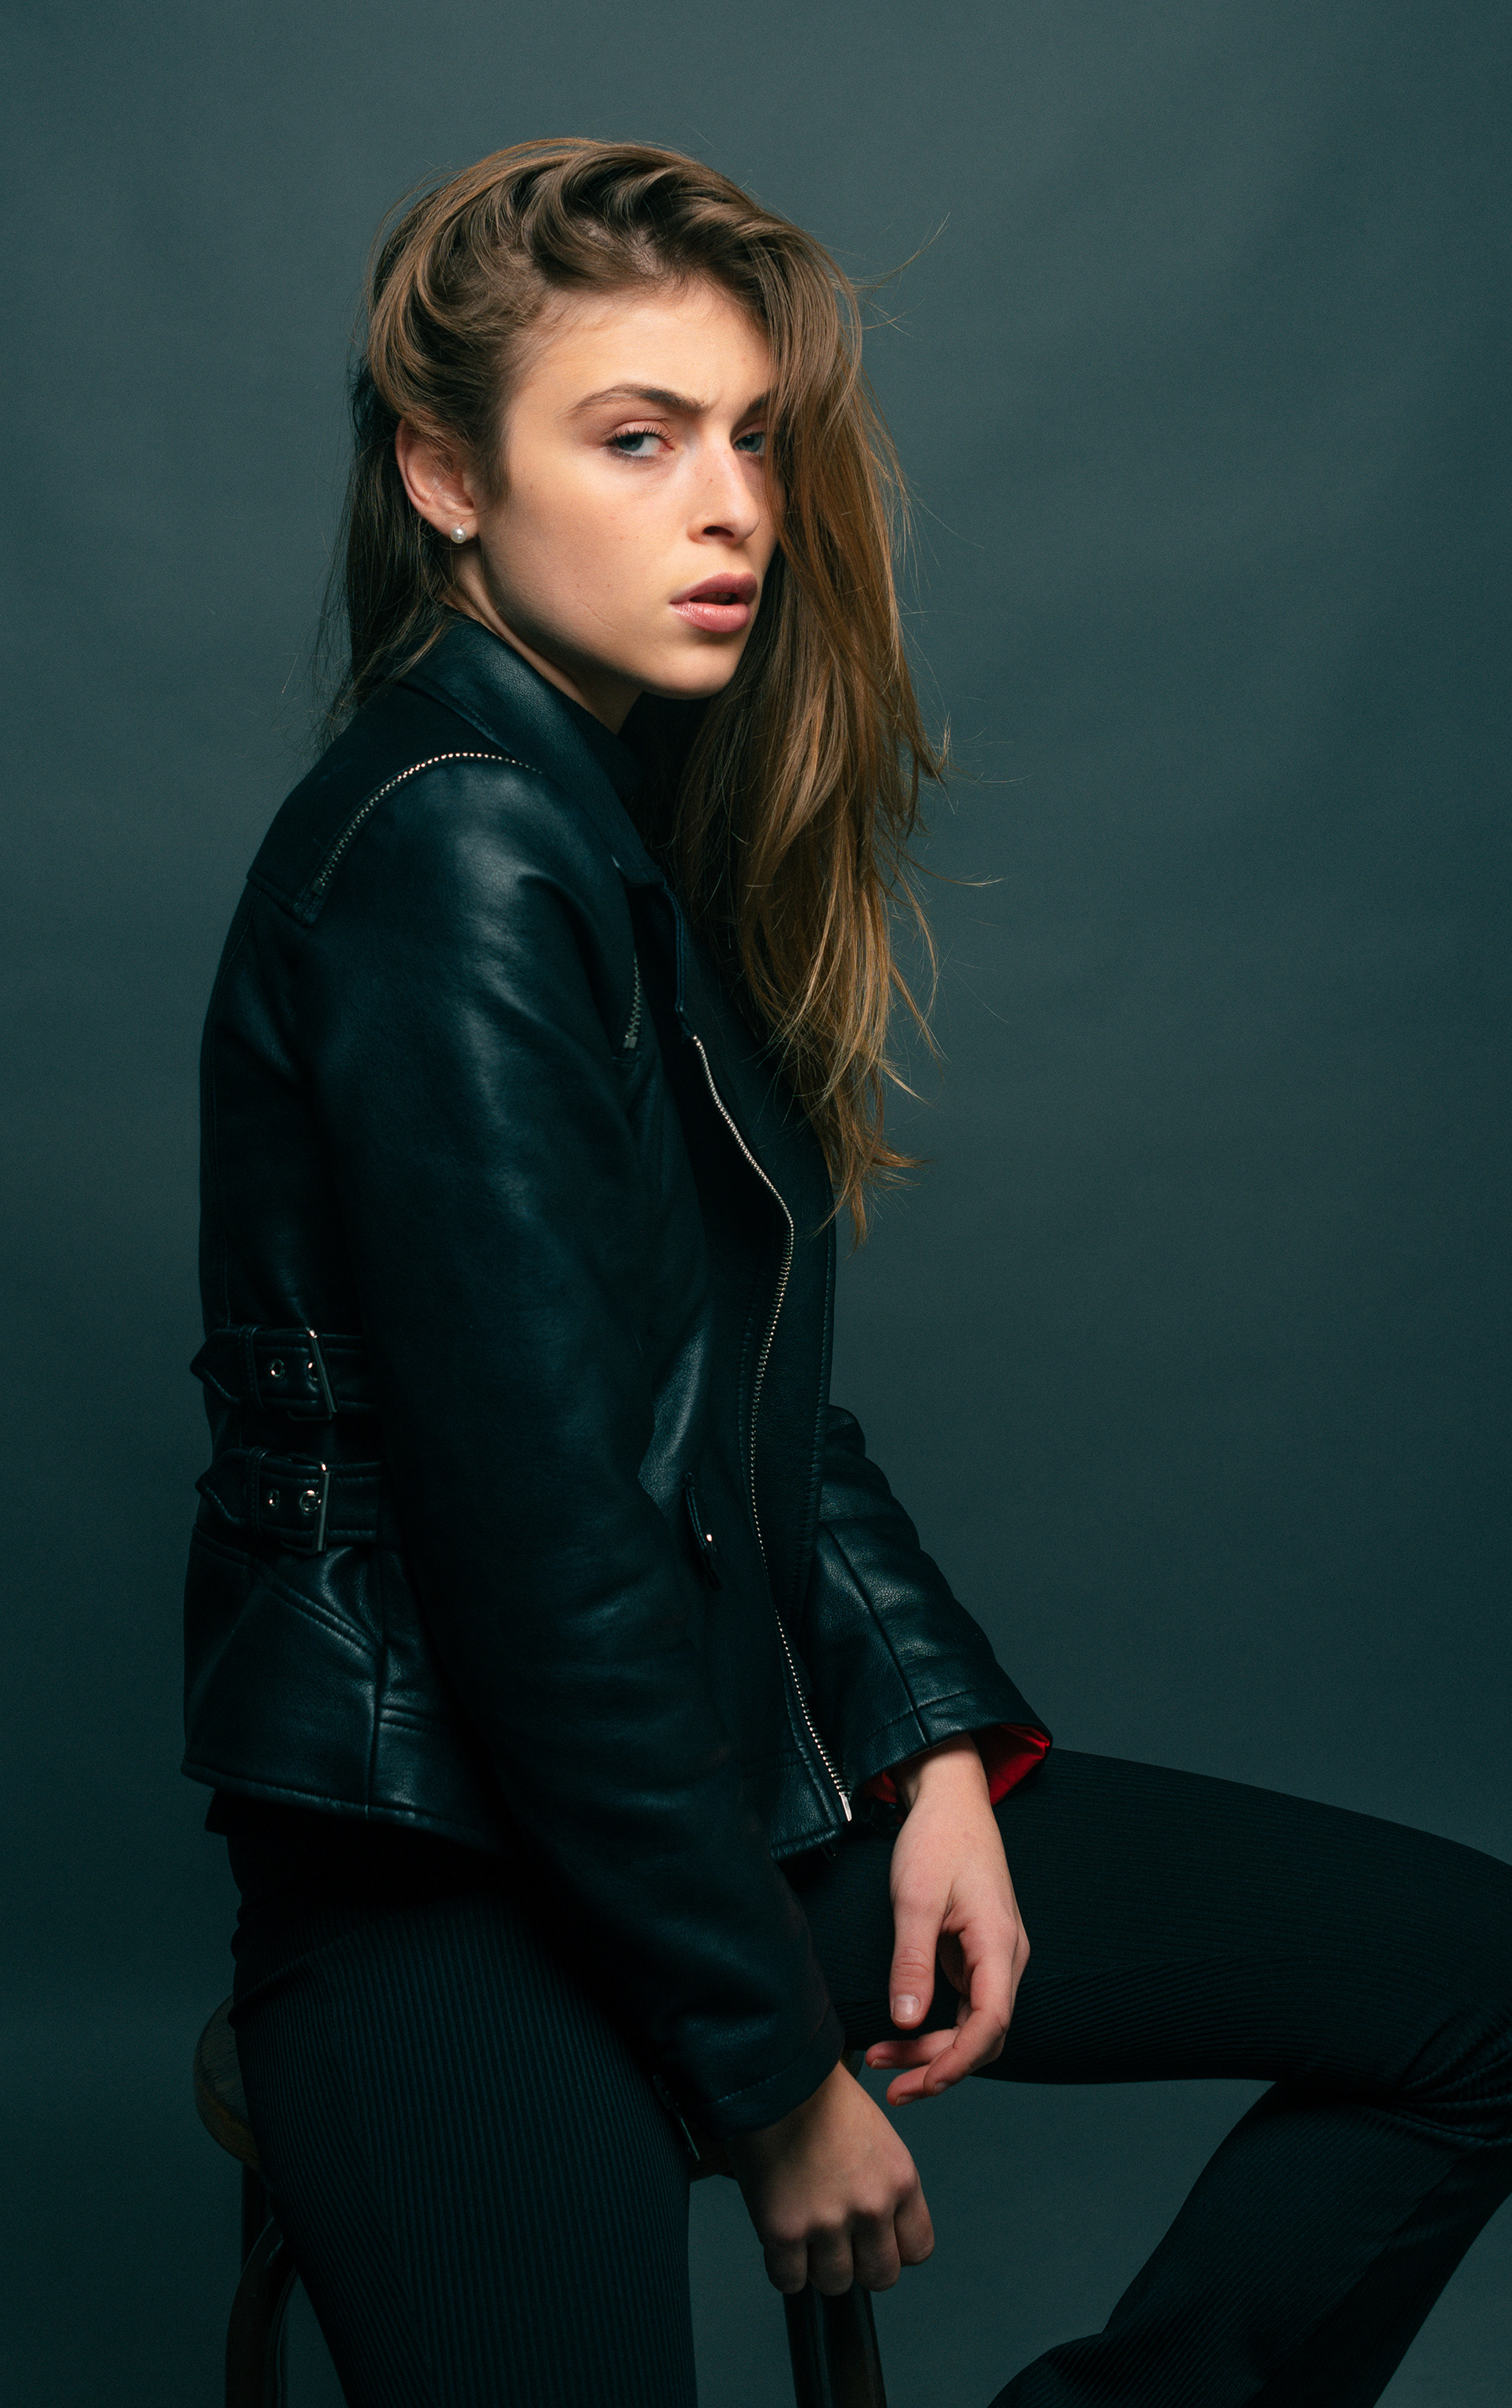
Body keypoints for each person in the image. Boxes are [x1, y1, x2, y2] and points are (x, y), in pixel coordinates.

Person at [183, 138, 1512, 2407]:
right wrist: (773, 2070)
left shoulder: (597, 817)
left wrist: (931, 1757)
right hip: (449, 1870)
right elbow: (540, 1550)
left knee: (1466, 1990)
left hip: (706, 1800)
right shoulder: (457, 845)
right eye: (638, 438)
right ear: (444, 475)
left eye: (755, 437)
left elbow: (743, 1389)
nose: (732, 508)